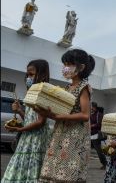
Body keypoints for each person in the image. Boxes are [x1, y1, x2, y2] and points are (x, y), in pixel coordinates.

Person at [37, 49, 95, 182]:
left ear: (81, 67)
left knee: (68, 170)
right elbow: (61, 111)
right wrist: (48, 112)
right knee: (54, 167)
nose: (65, 68)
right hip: (61, 132)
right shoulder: (67, 88)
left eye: (69, 64)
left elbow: (85, 115)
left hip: (74, 135)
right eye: (64, 64)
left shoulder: (83, 87)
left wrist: (58, 117)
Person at [2, 59, 51, 182]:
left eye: (31, 74)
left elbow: (41, 122)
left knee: (31, 169)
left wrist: (20, 129)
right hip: (28, 137)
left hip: (36, 140)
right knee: (22, 167)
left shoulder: (44, 92)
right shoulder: (31, 92)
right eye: (27, 74)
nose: (28, 77)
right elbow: (31, 119)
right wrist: (19, 111)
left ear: (43, 74)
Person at [90, 102, 107, 169]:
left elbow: (100, 124)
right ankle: (104, 163)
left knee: (99, 151)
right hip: (91, 134)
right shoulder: (91, 114)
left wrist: (92, 126)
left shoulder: (99, 114)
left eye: (91, 107)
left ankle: (105, 163)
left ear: (94, 107)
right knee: (98, 151)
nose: (91, 109)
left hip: (97, 135)